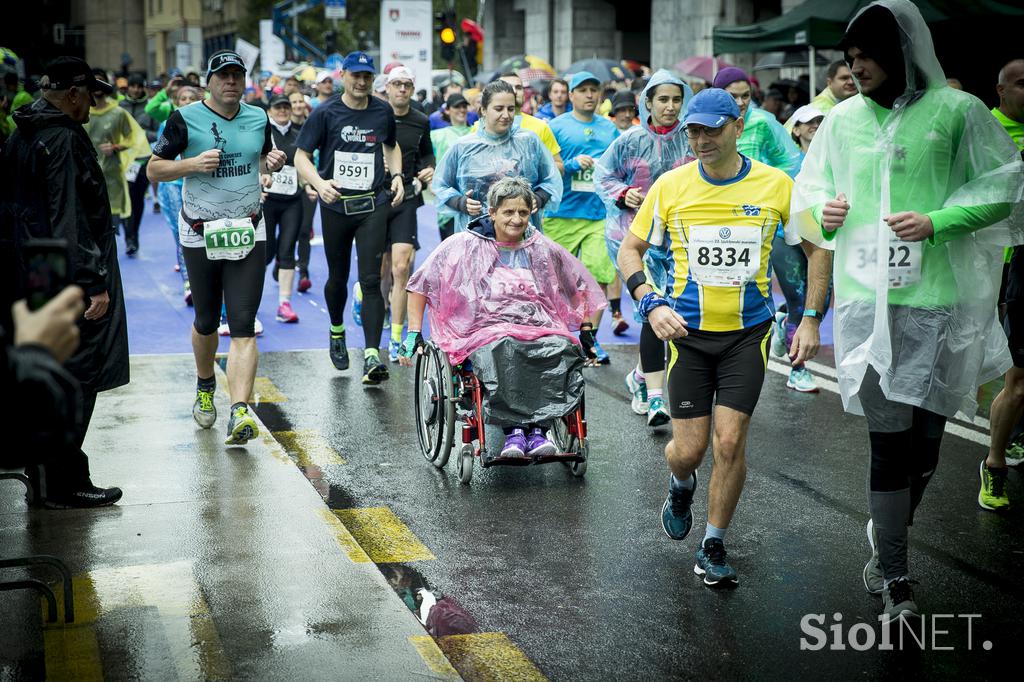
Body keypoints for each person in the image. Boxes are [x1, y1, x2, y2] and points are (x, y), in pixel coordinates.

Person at [790, 0, 1024, 619]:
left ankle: (886, 531)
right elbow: (807, 195)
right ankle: (895, 571)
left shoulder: (957, 111)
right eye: (848, 60)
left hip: (935, 306)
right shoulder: (840, 121)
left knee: (925, 448)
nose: (856, 69)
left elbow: (1002, 186)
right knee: (889, 445)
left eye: (866, 57)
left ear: (899, 53)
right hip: (869, 308)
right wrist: (824, 216)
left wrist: (938, 221)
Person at [618, 87, 830, 589]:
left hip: (746, 336)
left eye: (712, 129)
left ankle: (712, 543)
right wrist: (651, 302)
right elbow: (630, 251)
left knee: (730, 442)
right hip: (688, 335)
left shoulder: (776, 185)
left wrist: (812, 318)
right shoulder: (671, 186)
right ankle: (680, 483)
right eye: (693, 130)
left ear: (738, 125)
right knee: (688, 450)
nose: (701, 139)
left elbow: (819, 248)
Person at [401, 177, 606, 460]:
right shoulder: (463, 244)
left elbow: (579, 287)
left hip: (537, 325)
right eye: (508, 212)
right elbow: (420, 283)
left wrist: (585, 328)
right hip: (483, 329)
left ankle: (538, 430)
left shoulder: (541, 248)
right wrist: (413, 331)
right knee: (505, 347)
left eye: (523, 212)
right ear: (492, 211)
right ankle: (515, 432)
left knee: (562, 347)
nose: (516, 219)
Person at [3, 56, 129, 507]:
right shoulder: (62, 138)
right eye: (89, 96)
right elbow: (69, 217)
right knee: (76, 377)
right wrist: (91, 281)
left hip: (33, 274)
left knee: (46, 377)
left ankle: (45, 478)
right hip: (65, 277)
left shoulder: (23, 133)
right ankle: (64, 481)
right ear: (73, 94)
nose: (93, 106)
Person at [147, 50, 287, 445]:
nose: (231, 82)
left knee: (243, 324)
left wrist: (271, 164)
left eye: (237, 76)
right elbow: (153, 169)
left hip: (248, 229)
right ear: (209, 80)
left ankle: (240, 409)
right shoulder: (184, 118)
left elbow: (260, 162)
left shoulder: (258, 117)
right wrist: (190, 165)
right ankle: (206, 382)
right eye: (223, 75)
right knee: (207, 320)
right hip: (199, 230)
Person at [294, 51, 405, 384]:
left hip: (372, 204)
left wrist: (397, 175)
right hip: (336, 205)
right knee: (337, 277)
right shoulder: (326, 112)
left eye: (367, 77)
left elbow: (391, 145)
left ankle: (372, 354)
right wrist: (318, 183)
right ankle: (337, 329)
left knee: (371, 280)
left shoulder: (382, 110)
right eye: (355, 75)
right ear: (343, 76)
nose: (361, 82)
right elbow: (301, 155)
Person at [595, 69, 694, 427]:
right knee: (655, 308)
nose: (670, 107)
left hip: (678, 241)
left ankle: (638, 377)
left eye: (676, 99)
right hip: (630, 240)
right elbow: (603, 176)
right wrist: (624, 193)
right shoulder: (628, 140)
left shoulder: (692, 138)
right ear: (647, 103)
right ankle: (655, 398)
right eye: (662, 100)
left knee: (669, 315)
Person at [546, 71, 622, 364]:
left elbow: (620, 165)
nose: (589, 95)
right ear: (571, 95)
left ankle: (590, 339)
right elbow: (547, 168)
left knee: (598, 276)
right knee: (555, 279)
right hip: (562, 213)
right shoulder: (556, 127)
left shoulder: (609, 129)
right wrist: (571, 164)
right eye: (583, 90)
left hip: (598, 215)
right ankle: (556, 336)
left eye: (594, 90)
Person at [432, 80, 562, 235]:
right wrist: (460, 202)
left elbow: (551, 180)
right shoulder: (464, 146)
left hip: (521, 236)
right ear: (484, 110)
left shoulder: (529, 141)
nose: (506, 115)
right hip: (477, 237)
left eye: (511, 109)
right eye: (499, 109)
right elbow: (441, 186)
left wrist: (539, 198)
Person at [766, 103, 831, 394]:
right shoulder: (786, 164)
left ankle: (782, 321)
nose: (815, 125)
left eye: (820, 120)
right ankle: (797, 368)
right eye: (808, 122)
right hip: (787, 237)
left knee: (821, 301)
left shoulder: (835, 162)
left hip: (824, 239)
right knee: (798, 300)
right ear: (796, 130)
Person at [983, 58, 1024, 497]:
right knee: (1014, 376)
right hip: (1002, 263)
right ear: (1001, 90)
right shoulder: (986, 133)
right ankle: (995, 459)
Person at [381, 66, 435, 363]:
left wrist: (429, 168)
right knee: (379, 269)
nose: (402, 90)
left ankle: (397, 337)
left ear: (412, 90)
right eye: (397, 84)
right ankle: (364, 296)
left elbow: (427, 153)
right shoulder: (375, 116)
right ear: (387, 88)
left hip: (408, 198)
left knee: (401, 267)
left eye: (407, 85)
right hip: (376, 198)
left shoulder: (420, 120)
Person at [83, 75, 151, 257]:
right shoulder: (81, 112)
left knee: (130, 203)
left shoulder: (118, 112)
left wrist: (115, 147)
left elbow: (135, 138)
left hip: (122, 169)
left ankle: (131, 239)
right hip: (91, 172)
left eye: (100, 82)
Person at [154, 85, 204, 304]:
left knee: (201, 232)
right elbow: (158, 160)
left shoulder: (205, 125)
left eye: (190, 98)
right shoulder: (167, 125)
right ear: (176, 102)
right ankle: (189, 281)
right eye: (181, 99)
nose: (186, 102)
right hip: (174, 185)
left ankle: (204, 280)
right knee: (181, 232)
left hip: (199, 184)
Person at [260, 94, 305, 324]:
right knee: (265, 252)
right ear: (269, 110)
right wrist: (259, 181)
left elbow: (305, 164)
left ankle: (284, 304)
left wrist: (310, 185)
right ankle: (249, 300)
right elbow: (251, 160)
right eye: (278, 107)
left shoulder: (299, 136)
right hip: (268, 201)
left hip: (292, 201)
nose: (283, 111)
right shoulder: (263, 134)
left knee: (288, 250)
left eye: (286, 107)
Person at [713, 67, 801, 177]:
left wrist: (765, 183)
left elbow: (789, 161)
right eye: (733, 96)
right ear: (717, 96)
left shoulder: (761, 122)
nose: (740, 103)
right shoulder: (706, 123)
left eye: (745, 96)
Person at [482, 72, 564, 174]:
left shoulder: (540, 126)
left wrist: (534, 166)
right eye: (507, 87)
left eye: (519, 87)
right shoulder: (480, 127)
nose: (514, 91)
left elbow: (560, 166)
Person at [120, 73, 161, 254]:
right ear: (127, 87)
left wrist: (141, 133)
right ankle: (129, 236)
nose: (135, 90)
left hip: (142, 160)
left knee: (137, 200)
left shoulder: (149, 107)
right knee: (123, 199)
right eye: (132, 86)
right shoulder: (120, 107)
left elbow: (157, 133)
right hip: (121, 161)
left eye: (139, 86)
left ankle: (133, 235)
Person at [429, 93, 473, 242]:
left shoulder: (477, 132)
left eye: (464, 106)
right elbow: (426, 159)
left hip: (473, 200)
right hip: (448, 201)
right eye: (457, 106)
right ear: (447, 110)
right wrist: (430, 181)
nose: (461, 110)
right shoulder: (437, 136)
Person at [288, 89, 315, 293]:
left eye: (300, 102)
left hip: (309, 183)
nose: (297, 105)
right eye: (293, 102)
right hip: (286, 188)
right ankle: (283, 262)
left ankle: (303, 272)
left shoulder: (313, 125)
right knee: (290, 230)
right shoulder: (282, 129)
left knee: (305, 230)